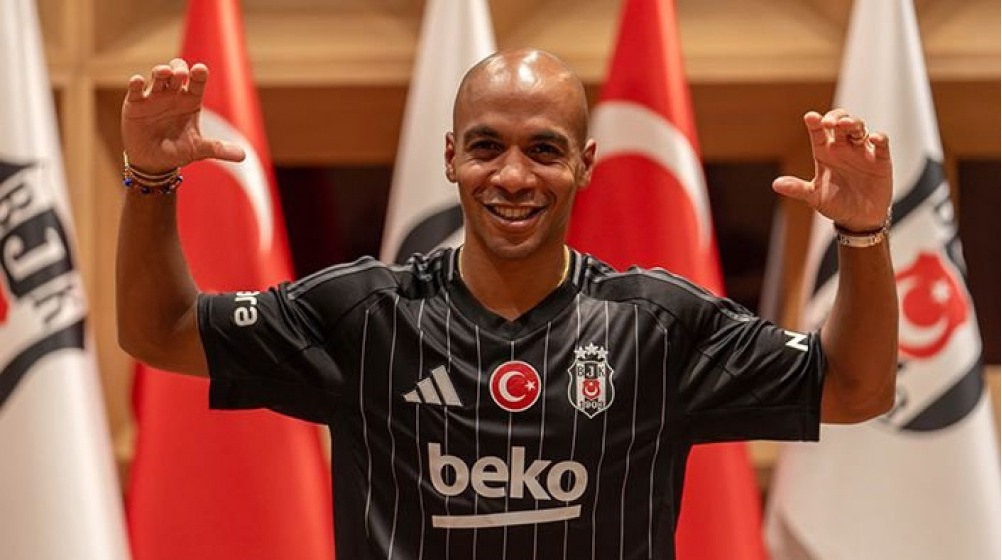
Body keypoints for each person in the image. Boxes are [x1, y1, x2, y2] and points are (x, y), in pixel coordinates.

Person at [117, 48, 898, 560]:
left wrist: (862, 233)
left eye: (544, 150)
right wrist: (150, 180)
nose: (514, 177)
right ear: (451, 157)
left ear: (585, 165)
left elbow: (855, 387)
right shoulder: (365, 317)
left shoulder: (657, 326)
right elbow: (161, 330)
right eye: (487, 146)